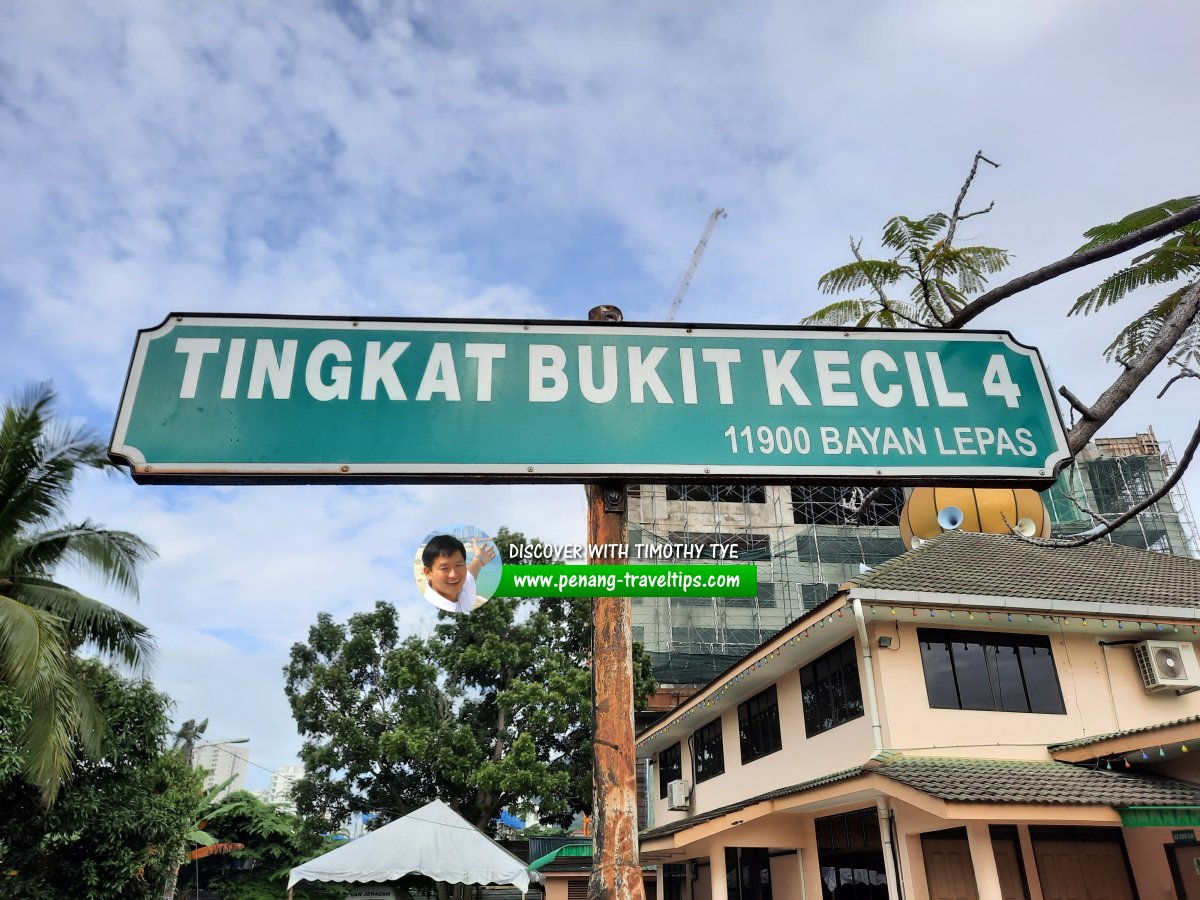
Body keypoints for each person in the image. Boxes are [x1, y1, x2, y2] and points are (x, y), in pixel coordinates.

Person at [421, 534, 497, 613]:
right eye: (444, 568)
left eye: (458, 565)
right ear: (428, 573)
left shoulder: (464, 586)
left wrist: (479, 558)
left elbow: (471, 573)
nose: (454, 575)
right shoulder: (429, 609)